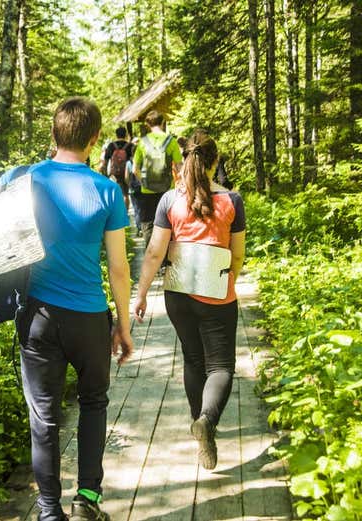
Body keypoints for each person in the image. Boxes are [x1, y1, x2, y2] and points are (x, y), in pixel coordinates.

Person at [0, 97, 133, 521]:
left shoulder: (22, 179)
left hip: (38, 317)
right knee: (94, 402)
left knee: (44, 416)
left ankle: (47, 511)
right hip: (90, 319)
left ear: (54, 134)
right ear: (95, 139)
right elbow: (118, 268)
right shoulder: (108, 190)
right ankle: (87, 501)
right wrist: (124, 326)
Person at [132, 129, 246, 471]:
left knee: (194, 361)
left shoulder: (170, 201)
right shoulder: (231, 201)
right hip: (216, 293)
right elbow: (237, 255)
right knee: (222, 366)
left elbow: (154, 252)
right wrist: (227, 284)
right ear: (214, 164)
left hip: (178, 294)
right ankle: (207, 422)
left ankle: (200, 427)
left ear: (184, 163)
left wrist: (140, 295)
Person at [132, 110, 183, 249]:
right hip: (167, 190)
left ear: (148, 124)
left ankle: (151, 254)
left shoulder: (142, 142)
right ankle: (166, 258)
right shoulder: (171, 141)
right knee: (167, 222)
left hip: (147, 190)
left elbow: (134, 169)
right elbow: (180, 166)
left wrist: (142, 181)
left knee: (148, 223)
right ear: (162, 122)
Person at [99, 127, 134, 210]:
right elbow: (134, 161)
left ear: (116, 134)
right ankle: (125, 214)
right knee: (125, 194)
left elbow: (106, 160)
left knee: (114, 192)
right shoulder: (130, 146)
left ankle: (115, 212)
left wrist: (105, 175)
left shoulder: (111, 145)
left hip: (114, 173)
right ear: (125, 134)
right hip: (126, 173)